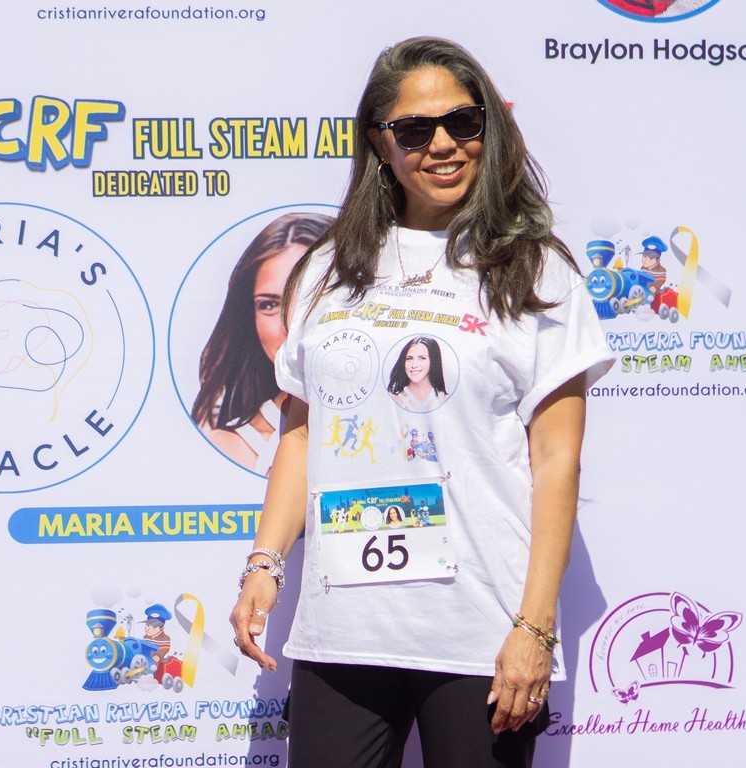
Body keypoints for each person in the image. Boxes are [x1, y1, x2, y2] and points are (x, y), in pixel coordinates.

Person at [229, 37, 613, 768]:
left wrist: (534, 629)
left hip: (480, 631)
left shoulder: (535, 270)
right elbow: (301, 434)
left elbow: (556, 459)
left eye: (462, 123)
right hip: (344, 628)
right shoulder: (328, 268)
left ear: (488, 129)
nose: (442, 144)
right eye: (413, 130)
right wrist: (264, 563)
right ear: (379, 142)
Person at [190, 212, 333, 475]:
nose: (290, 325)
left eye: (310, 298)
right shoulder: (231, 449)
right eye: (269, 305)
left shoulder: (397, 428)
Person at [387, 336, 450, 411]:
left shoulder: (446, 400)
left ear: (433, 361)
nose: (414, 365)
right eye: (409, 358)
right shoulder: (393, 400)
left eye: (422, 358)